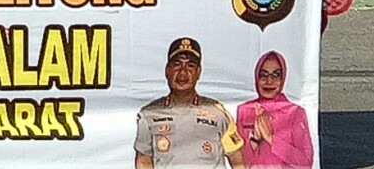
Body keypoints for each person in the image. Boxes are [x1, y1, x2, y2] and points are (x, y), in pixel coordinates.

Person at [134, 38, 244, 169]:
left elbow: (236, 158)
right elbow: (144, 159)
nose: (183, 72)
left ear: (198, 72)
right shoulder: (149, 114)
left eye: (190, 66)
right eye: (177, 64)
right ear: (167, 70)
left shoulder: (218, 112)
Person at [236, 51, 314, 168]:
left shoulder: (294, 112)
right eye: (264, 74)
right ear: (257, 77)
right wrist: (255, 139)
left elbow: (305, 162)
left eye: (276, 75)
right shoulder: (244, 110)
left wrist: (271, 138)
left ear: (283, 78)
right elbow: (239, 163)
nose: (269, 81)